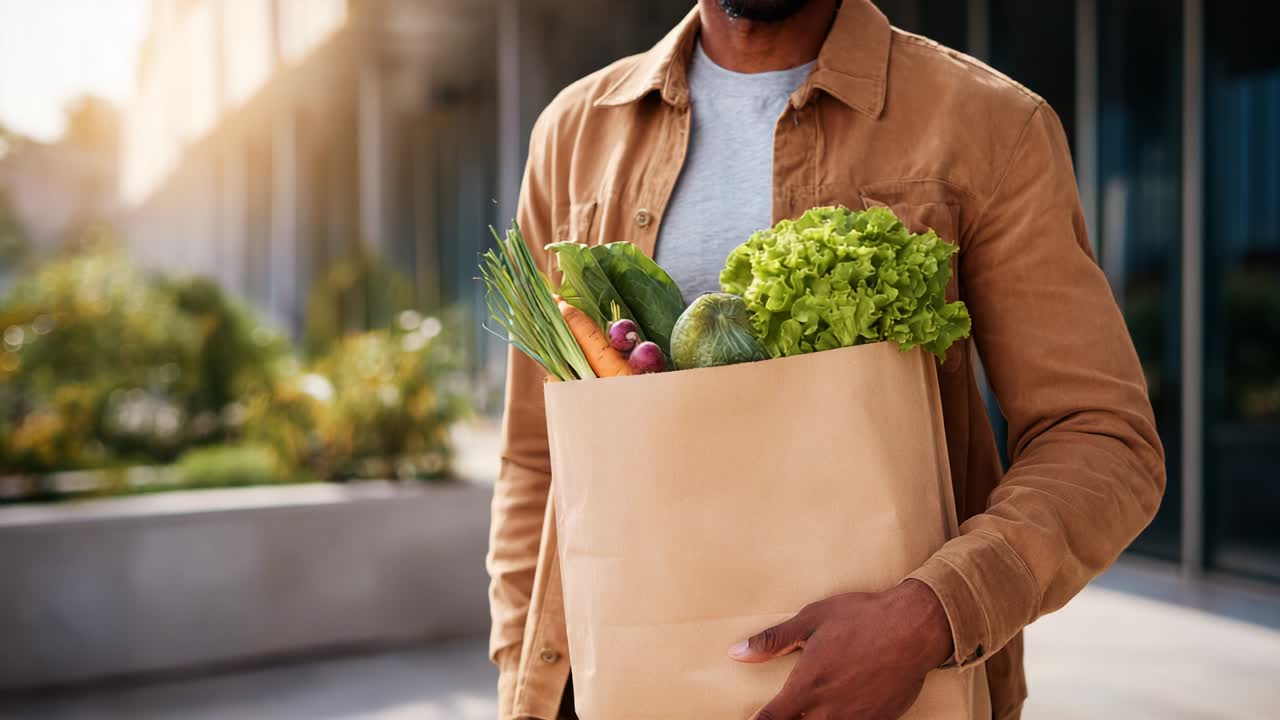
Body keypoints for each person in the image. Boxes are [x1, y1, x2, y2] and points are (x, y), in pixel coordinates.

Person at [486, 0, 1166, 718]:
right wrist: (520, 671)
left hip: (887, 696)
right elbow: (537, 456)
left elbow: (1101, 436)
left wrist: (933, 613)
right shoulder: (576, 131)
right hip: (614, 691)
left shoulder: (989, 126)